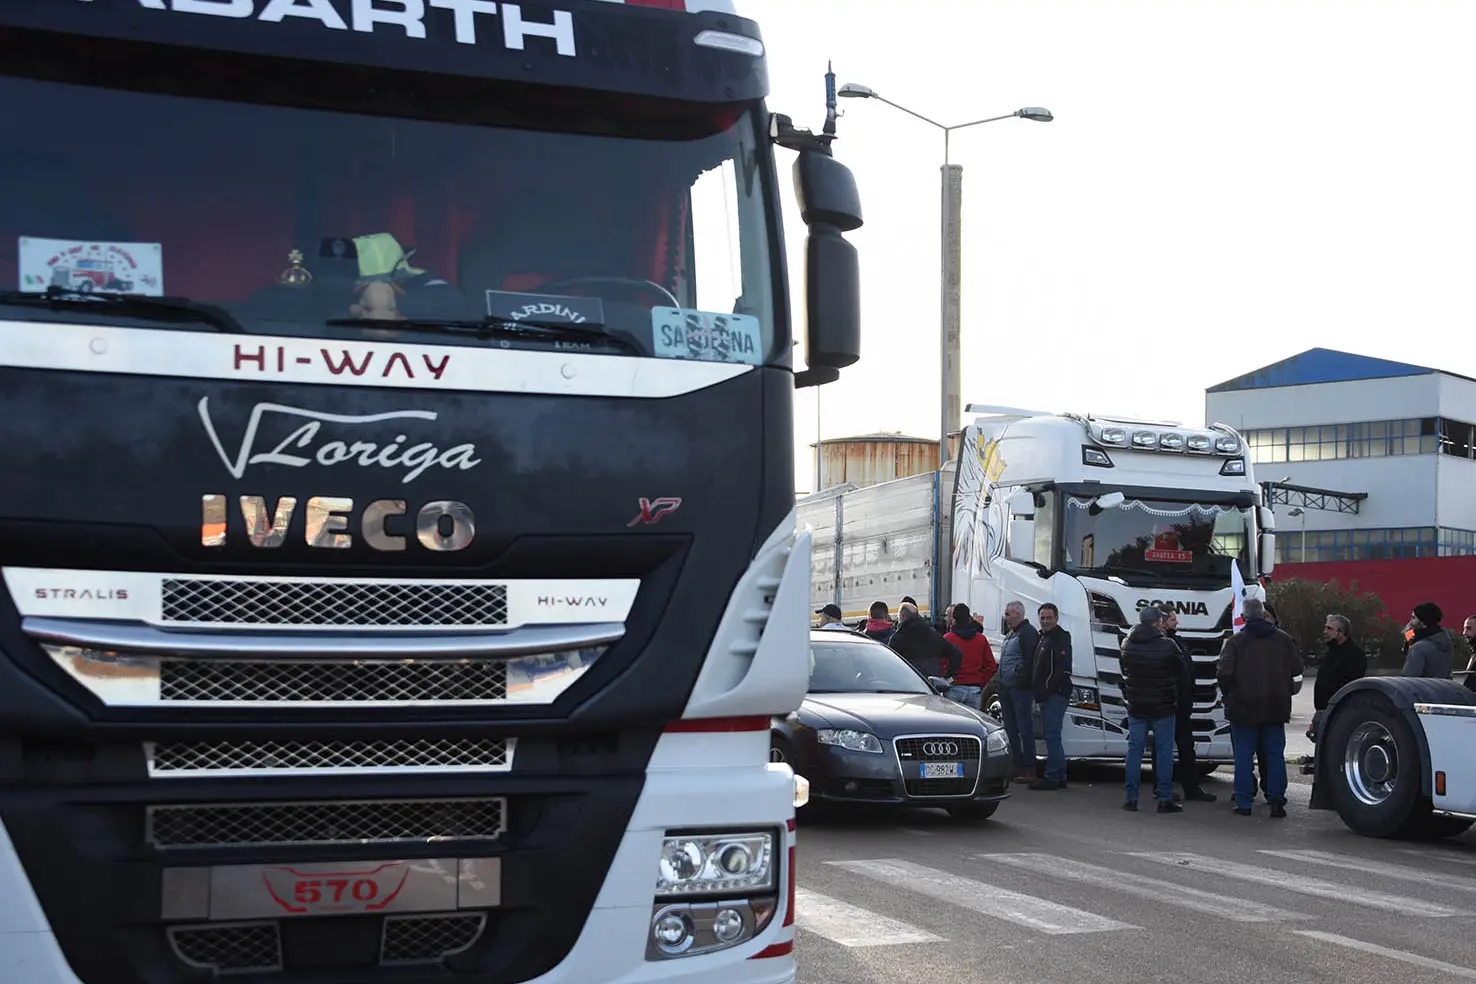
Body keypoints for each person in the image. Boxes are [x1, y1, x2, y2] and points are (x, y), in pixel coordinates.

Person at [1217, 597, 1304, 817]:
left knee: (1244, 755)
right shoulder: (1284, 640)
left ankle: (1244, 802)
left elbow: (1224, 673)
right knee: (1275, 753)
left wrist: (1228, 694)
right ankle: (1276, 799)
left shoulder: (1235, 642)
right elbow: (1296, 668)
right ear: (1264, 615)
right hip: (1276, 705)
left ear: (1244, 617)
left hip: (1243, 707)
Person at [1119, 606, 1184, 813]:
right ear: (1157, 622)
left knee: (1134, 751)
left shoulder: (1127, 644)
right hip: (1163, 706)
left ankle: (1131, 798)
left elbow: (1124, 670)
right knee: (1164, 752)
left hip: (1137, 705)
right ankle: (1164, 798)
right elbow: (1181, 672)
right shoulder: (1168, 645)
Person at [1156, 610, 1217, 802]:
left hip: (1182, 704)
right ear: (1162, 622)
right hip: (1166, 704)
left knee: (1186, 748)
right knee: (1163, 748)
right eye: (1173, 619)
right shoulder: (1159, 645)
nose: (1177, 622)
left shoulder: (1178, 642)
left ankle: (1191, 788)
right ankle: (1162, 788)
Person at [1029, 602, 1072, 791]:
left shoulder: (1060, 637)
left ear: (1056, 618)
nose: (1045, 621)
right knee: (1052, 735)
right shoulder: (1043, 637)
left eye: (1049, 617)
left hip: (1055, 694)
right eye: (1043, 618)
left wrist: (1047, 689)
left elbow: (1061, 668)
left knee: (1052, 735)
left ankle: (1052, 776)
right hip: (1046, 694)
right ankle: (1060, 774)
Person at [997, 601, 1041, 784]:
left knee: (1025, 729)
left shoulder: (1027, 633)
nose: (1005, 618)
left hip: (1020, 689)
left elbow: (1031, 660)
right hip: (1007, 687)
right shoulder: (1011, 634)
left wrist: (1022, 679)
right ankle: (1016, 765)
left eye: (1008, 614)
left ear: (1018, 614)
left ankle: (1029, 768)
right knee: (1011, 729)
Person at [943, 602, 996, 710]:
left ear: (954, 619)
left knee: (953, 725)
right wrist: (981, 681)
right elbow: (991, 666)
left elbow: (941, 664)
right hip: (975, 689)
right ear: (969, 618)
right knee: (973, 725)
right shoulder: (981, 639)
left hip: (954, 687)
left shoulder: (947, 639)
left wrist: (947, 680)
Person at [889, 603, 961, 680]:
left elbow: (890, 666)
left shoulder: (897, 639)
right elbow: (957, 654)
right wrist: (947, 677)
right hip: (931, 687)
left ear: (902, 616)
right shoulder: (934, 636)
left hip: (907, 686)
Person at [1403, 602, 1454, 678]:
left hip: (1421, 689)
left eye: (1414, 618)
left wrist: (1409, 637)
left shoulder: (1418, 648)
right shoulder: (1446, 643)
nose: (1410, 622)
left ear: (1423, 621)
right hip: (1442, 688)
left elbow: (1409, 680)